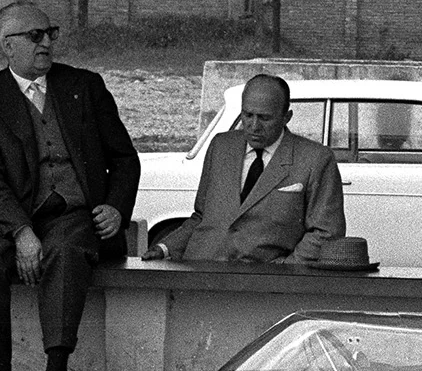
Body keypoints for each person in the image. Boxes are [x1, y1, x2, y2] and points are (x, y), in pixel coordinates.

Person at [0, 2, 140, 371]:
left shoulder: (85, 87)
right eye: (34, 36)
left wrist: (115, 205)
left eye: (50, 32)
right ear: (7, 45)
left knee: (66, 250)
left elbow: (124, 158)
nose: (46, 43)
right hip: (9, 216)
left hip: (74, 213)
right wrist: (21, 231)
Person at [142, 74, 344, 263]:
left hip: (265, 284)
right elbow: (202, 216)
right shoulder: (220, 146)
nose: (254, 126)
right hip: (201, 270)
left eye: (264, 118)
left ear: (287, 117)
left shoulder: (315, 159)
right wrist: (165, 248)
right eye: (247, 115)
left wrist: (285, 268)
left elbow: (326, 232)